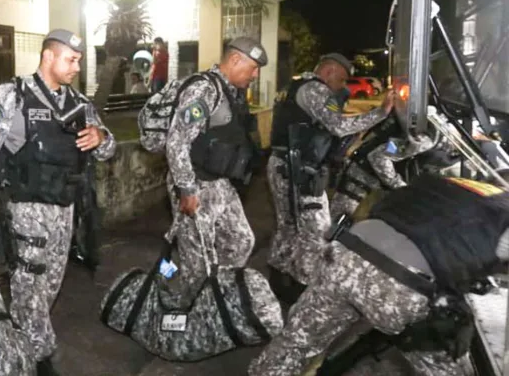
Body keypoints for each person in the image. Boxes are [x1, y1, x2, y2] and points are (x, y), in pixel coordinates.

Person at [0, 29, 116, 375]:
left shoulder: (79, 104)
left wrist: (101, 136)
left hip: (65, 211)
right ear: (48, 56)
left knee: (46, 291)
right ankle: (39, 359)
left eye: (78, 60)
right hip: (25, 211)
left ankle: (20, 346)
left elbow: (109, 149)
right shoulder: (12, 96)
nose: (77, 66)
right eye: (71, 59)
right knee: (29, 290)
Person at [249, 174, 509, 375]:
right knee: (446, 363)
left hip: (344, 256)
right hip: (399, 288)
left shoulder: (452, 184)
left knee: (296, 343)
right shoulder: (502, 212)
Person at [266, 53, 394, 297]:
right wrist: (381, 112)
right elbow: (338, 125)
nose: (343, 86)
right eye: (342, 79)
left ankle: (278, 280)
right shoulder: (315, 89)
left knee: (288, 226)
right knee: (317, 231)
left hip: (282, 164)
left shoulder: (294, 86)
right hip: (298, 170)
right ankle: (304, 288)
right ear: (329, 71)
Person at [165, 37, 266, 306]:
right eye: (253, 67)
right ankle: (186, 312)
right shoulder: (204, 90)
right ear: (235, 60)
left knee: (241, 241)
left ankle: (215, 298)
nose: (255, 75)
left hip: (220, 183)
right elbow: (176, 142)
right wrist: (186, 189)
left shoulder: (232, 91)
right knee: (198, 262)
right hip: (195, 183)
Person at [331, 119, 434, 221]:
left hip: (376, 186)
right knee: (334, 220)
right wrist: (399, 185)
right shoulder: (421, 141)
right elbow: (378, 156)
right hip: (362, 179)